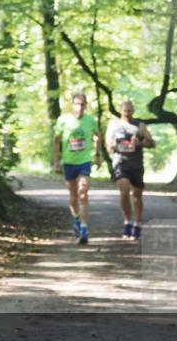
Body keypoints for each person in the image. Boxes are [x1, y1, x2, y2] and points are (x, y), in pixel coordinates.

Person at [52, 92, 101, 244]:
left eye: (82, 104)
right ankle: (76, 219)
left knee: (83, 193)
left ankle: (85, 228)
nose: (79, 107)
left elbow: (98, 136)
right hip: (69, 162)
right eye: (77, 104)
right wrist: (56, 160)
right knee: (73, 196)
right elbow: (56, 139)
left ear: (85, 105)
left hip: (84, 161)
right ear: (72, 105)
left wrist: (97, 155)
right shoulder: (63, 120)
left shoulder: (90, 121)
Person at [105, 99, 155, 239]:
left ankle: (137, 224)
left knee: (137, 196)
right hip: (120, 163)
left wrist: (141, 142)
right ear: (120, 111)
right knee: (124, 191)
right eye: (125, 110)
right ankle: (127, 222)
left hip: (136, 164)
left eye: (130, 110)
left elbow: (152, 143)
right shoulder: (114, 125)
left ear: (133, 111)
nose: (127, 113)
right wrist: (113, 145)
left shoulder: (139, 125)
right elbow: (109, 145)